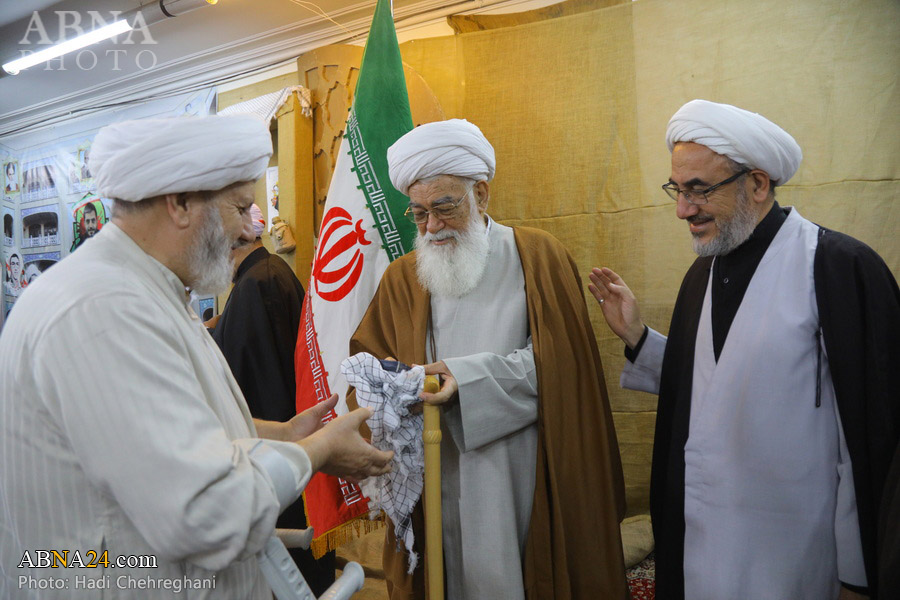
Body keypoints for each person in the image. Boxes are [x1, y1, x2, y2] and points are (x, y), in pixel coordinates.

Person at [0, 114, 393, 599]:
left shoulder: (149, 290)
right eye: (241, 208)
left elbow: (182, 427)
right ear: (181, 203)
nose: (249, 229)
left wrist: (287, 434)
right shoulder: (103, 309)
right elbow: (207, 511)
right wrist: (318, 452)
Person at [589, 99, 900, 600]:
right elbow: (715, 388)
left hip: (797, 550)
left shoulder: (836, 268)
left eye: (699, 190)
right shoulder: (701, 275)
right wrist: (638, 336)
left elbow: (869, 434)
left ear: (756, 184)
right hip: (705, 541)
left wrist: (858, 574)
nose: (683, 209)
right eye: (677, 189)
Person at [351, 119, 627, 600]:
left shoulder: (538, 256)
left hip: (522, 465)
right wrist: (392, 395)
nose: (432, 227)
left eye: (445, 207)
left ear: (481, 194)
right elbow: (366, 373)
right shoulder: (401, 278)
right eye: (419, 213)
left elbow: (566, 370)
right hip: (435, 471)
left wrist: (467, 380)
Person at [208, 204, 335, 594]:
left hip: (278, 464)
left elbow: (252, 386)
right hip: (290, 452)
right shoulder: (267, 272)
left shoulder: (255, 285)